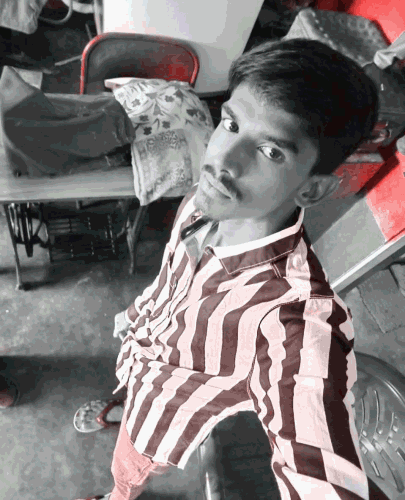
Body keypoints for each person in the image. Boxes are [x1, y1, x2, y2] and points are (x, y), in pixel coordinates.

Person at [74, 38, 379, 500]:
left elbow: (322, 477)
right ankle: (119, 404)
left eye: (271, 152)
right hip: (142, 355)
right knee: (130, 389)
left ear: (313, 190)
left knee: (126, 470)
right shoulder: (203, 204)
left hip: (161, 420)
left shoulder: (293, 320)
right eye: (231, 124)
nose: (223, 161)